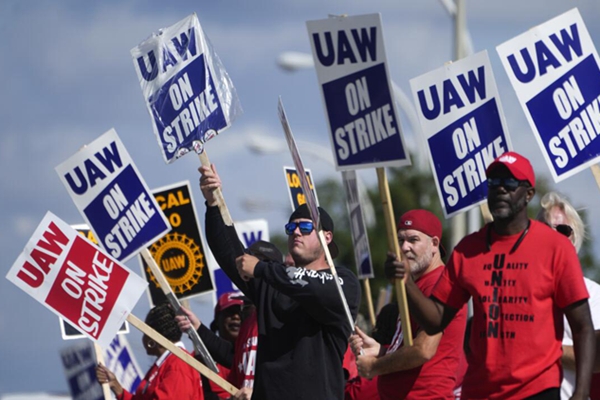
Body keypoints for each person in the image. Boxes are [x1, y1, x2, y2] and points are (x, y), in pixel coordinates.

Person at [389, 151, 595, 399]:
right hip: (480, 391)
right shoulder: (467, 249)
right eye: (493, 183)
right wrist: (406, 283)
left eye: (509, 183)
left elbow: (583, 327)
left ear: (528, 193)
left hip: (536, 390)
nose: (500, 189)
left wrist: (581, 392)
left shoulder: (556, 248)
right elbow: (436, 319)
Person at [198, 163, 361, 400]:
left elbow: (317, 288)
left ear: (326, 237)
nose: (296, 232)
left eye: (305, 227)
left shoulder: (344, 281)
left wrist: (262, 268)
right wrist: (213, 203)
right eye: (291, 227)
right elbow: (229, 253)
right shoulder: (271, 282)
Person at [349, 209, 467, 399]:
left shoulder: (440, 284)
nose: (404, 248)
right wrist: (381, 350)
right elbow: (412, 347)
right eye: (400, 240)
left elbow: (423, 350)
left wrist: (374, 367)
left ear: (434, 244)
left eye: (413, 240)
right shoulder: (416, 284)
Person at [178, 240, 284, 400]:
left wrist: (259, 394)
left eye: (257, 265)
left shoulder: (285, 314)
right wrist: (198, 328)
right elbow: (233, 356)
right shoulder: (249, 320)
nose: (247, 269)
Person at [536, 191, 600, 399]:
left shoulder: (592, 293)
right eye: (546, 229)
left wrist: (543, 347)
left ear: (575, 237)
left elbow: (598, 357)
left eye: (563, 229)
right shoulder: (517, 287)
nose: (554, 236)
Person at [96, 302, 203, 400]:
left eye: (145, 332)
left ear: (152, 338)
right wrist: (116, 386)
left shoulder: (178, 365)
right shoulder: (167, 363)